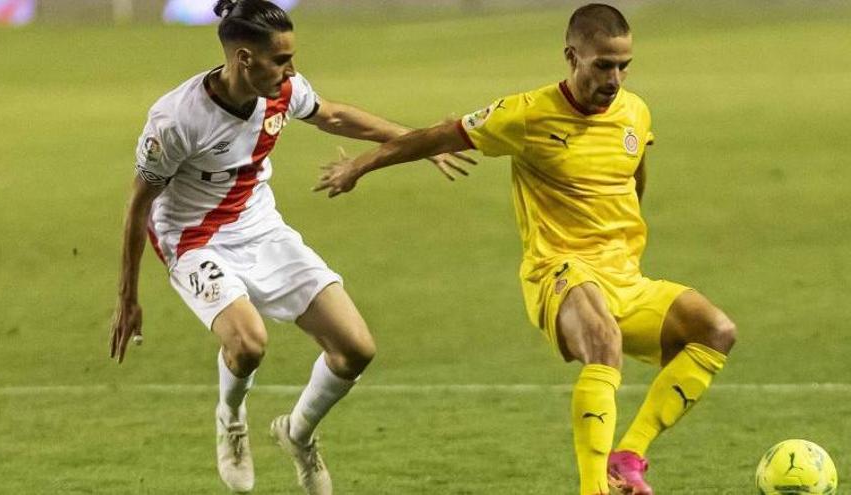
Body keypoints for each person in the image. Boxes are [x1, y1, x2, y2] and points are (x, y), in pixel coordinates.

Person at [314, 4, 737, 494]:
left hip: (624, 275)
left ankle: (628, 457)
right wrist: (360, 166)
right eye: (603, 65)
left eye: (623, 66)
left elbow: (633, 170)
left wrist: (623, 238)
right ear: (572, 57)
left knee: (716, 330)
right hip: (558, 268)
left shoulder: (635, 111)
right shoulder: (527, 115)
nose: (615, 78)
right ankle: (592, 489)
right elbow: (437, 135)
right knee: (604, 345)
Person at [108, 1, 474, 494]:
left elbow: (335, 116)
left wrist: (420, 142)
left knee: (355, 350)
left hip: (261, 228)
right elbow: (138, 205)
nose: (291, 70)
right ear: (243, 59)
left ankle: (298, 434)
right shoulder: (176, 121)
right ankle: (231, 419)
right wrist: (127, 298)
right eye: (280, 59)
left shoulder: (280, 91)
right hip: (193, 237)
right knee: (249, 343)